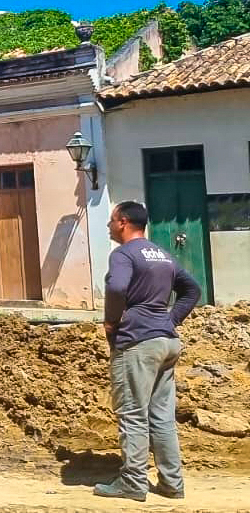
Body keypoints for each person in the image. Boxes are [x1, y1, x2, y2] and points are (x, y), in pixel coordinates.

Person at [94, 201, 201, 502]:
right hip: (167, 341)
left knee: (133, 414)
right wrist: (169, 319)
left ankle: (132, 482)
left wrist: (111, 322)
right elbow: (192, 290)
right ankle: (172, 483)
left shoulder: (123, 254)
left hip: (137, 343)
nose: (109, 226)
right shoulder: (163, 255)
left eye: (111, 221)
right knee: (162, 417)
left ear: (124, 222)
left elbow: (116, 288)